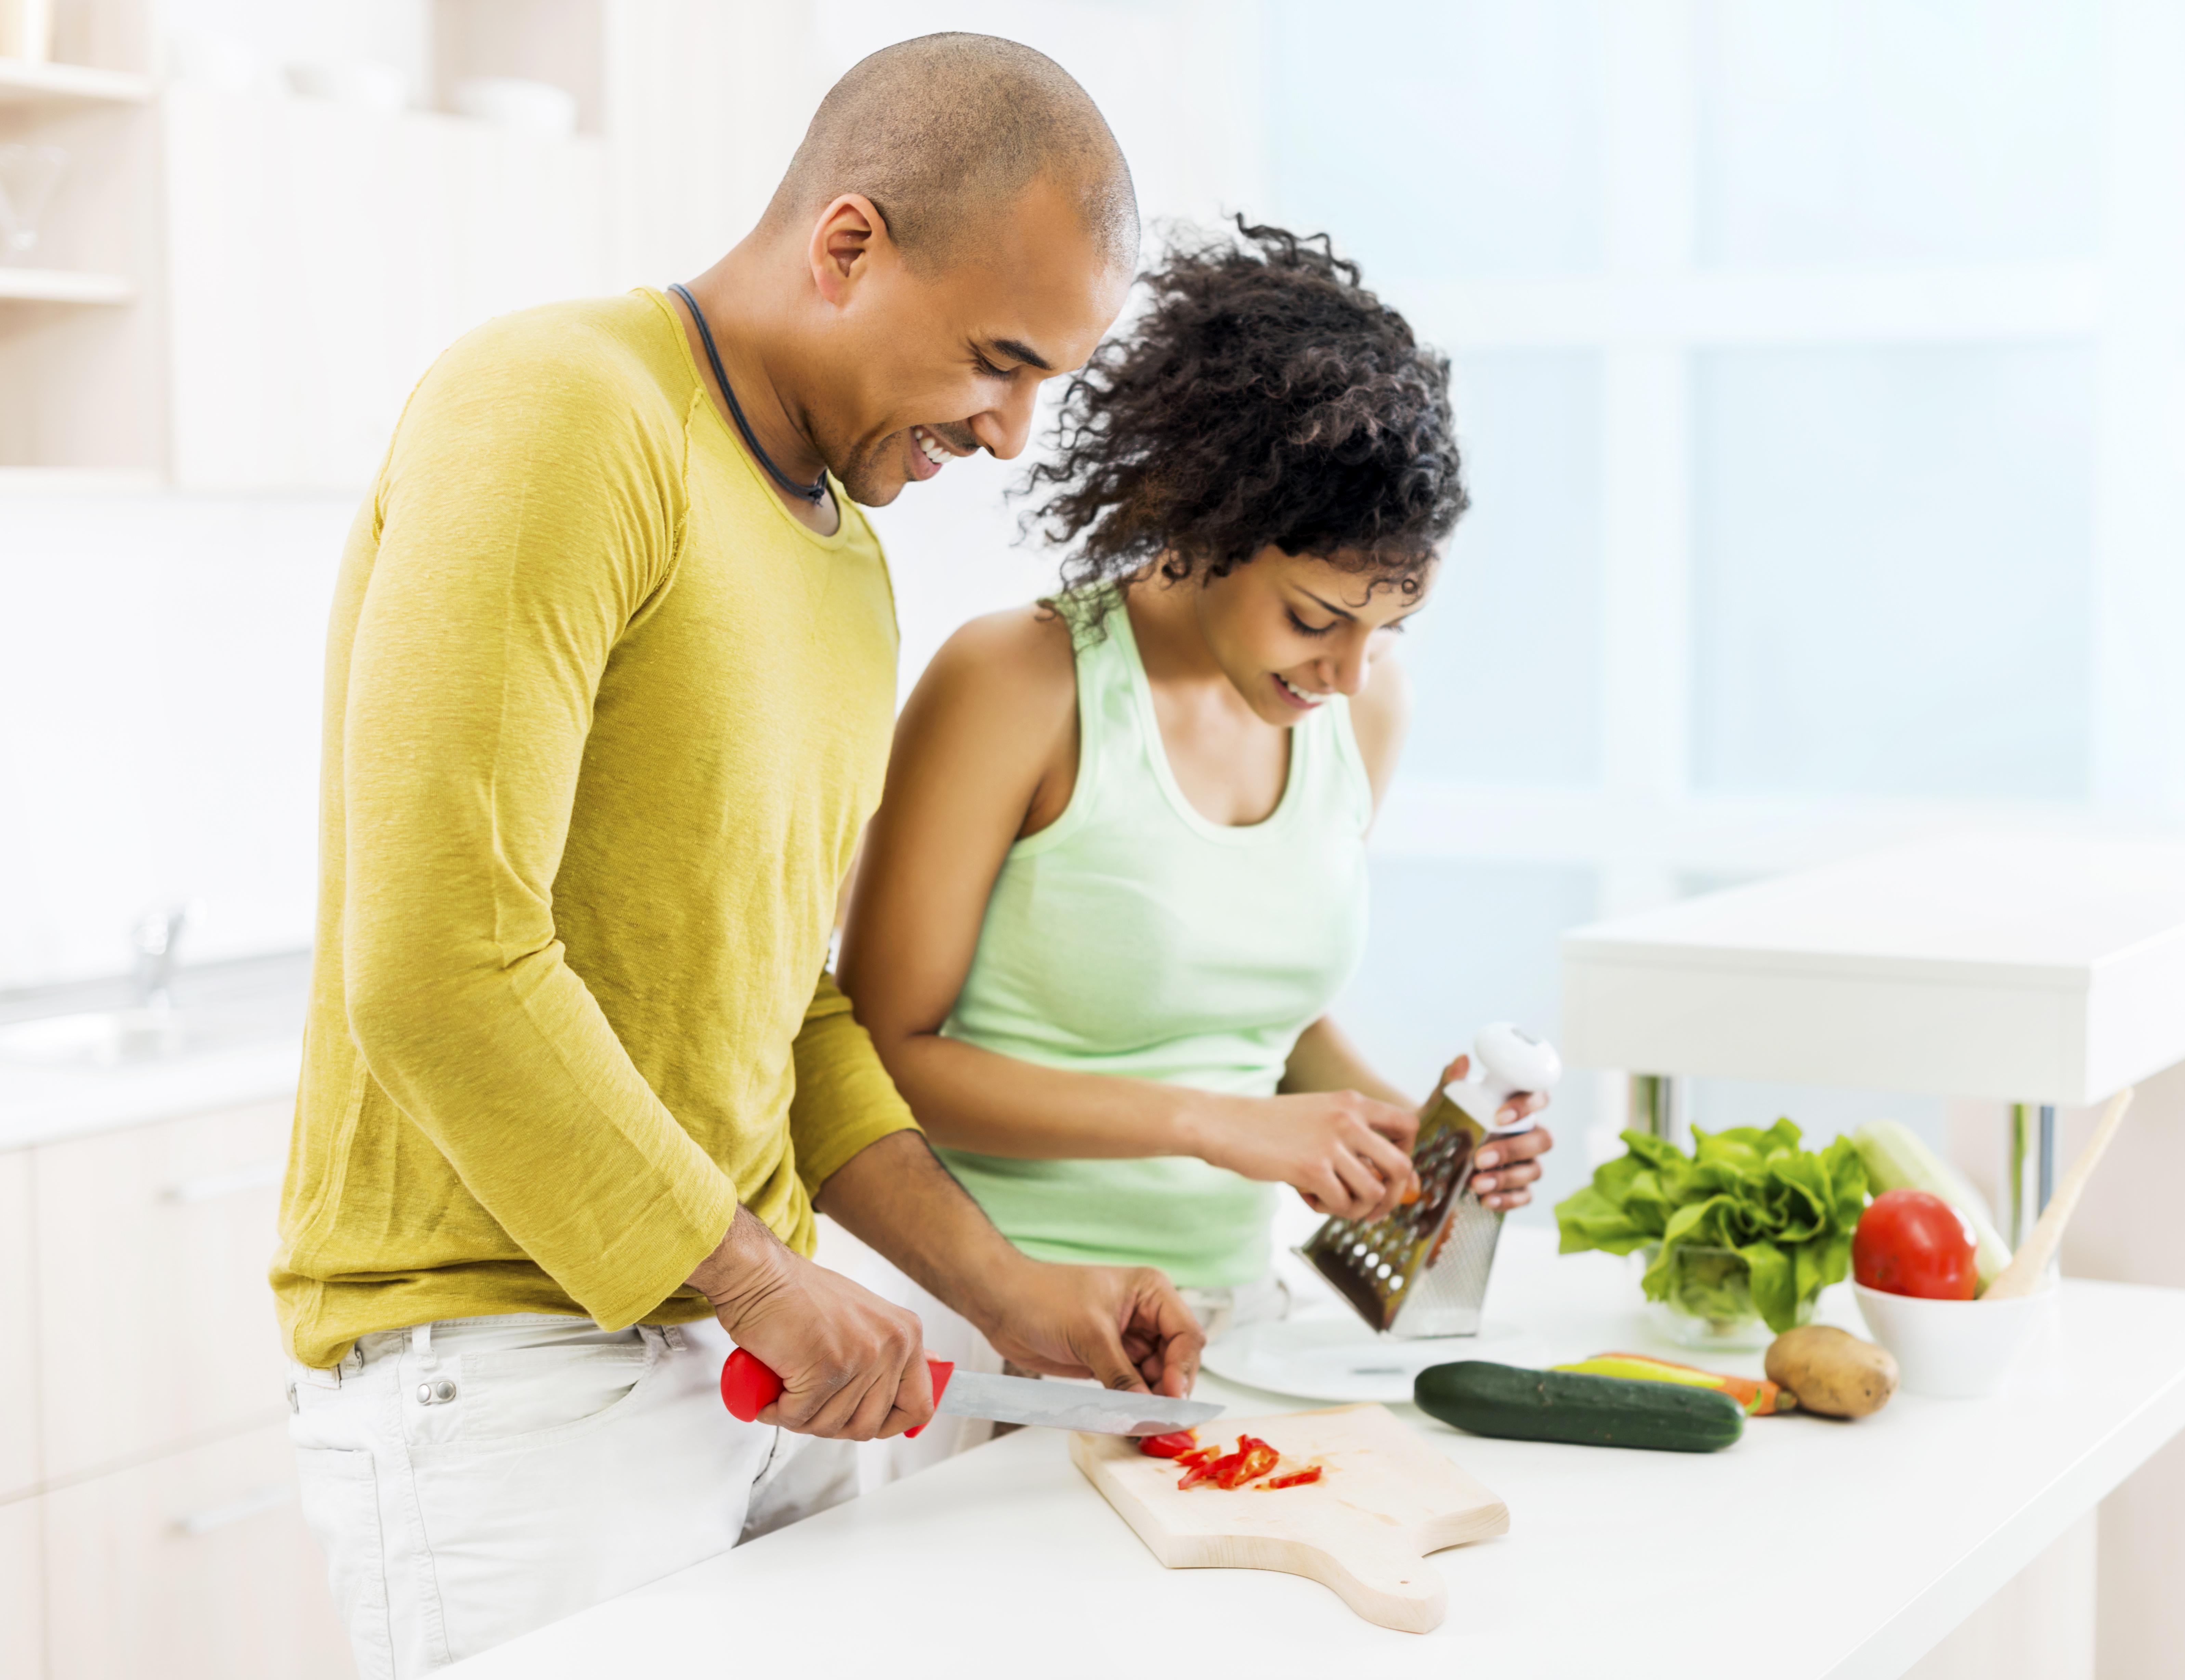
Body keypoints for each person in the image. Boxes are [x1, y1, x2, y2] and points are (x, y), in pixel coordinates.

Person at [271, 35, 1201, 1676]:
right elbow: (435, 962)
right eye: (999, 359)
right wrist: (765, 1281)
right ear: (848, 245)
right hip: (512, 1373)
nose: (1010, 431)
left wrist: (1001, 1288)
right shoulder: (564, 407)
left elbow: (789, 1011)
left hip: (748, 1369)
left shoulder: (842, 559)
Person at [842, 223, 1553, 1460]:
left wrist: (1415, 1140)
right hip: (992, 1331)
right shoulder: (1021, 684)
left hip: (1233, 1332)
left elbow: (1259, 1032)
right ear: (1205, 517)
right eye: (1315, 618)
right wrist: (1217, 1125)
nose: (1344, 671)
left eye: (1384, 630)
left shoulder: (1357, 708)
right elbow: (882, 1060)